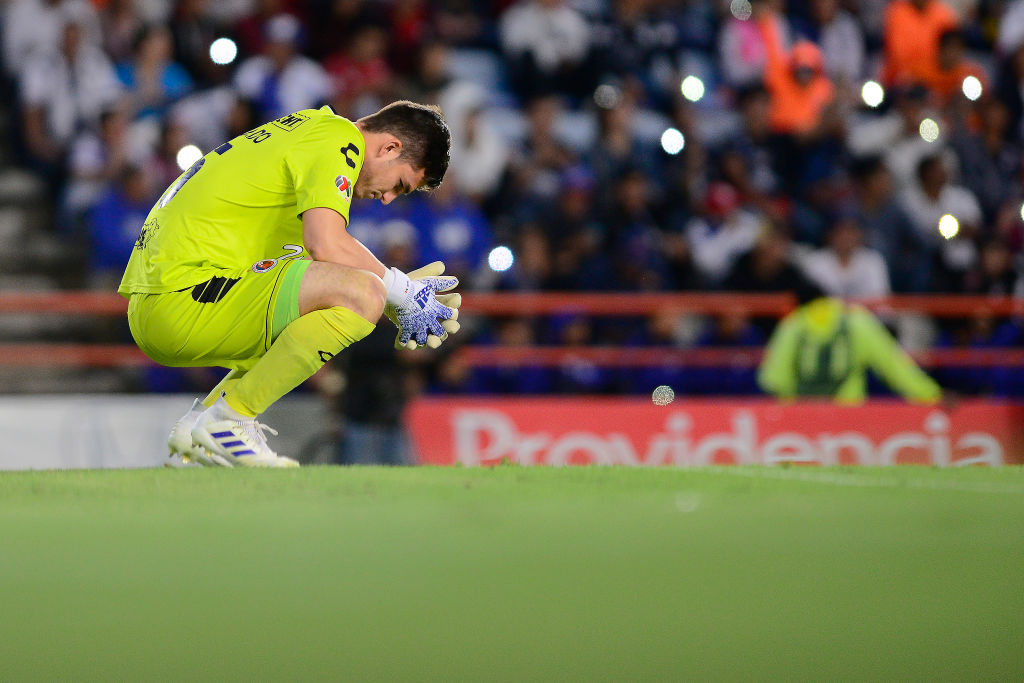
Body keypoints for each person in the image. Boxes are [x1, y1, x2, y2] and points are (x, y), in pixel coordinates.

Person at [118, 100, 460, 468]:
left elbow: (322, 258)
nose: (389, 198)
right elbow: (326, 244)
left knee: (332, 294)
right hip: (183, 296)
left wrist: (399, 290)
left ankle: (198, 429)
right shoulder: (340, 139)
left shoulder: (312, 131)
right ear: (389, 147)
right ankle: (231, 419)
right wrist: (398, 290)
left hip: (166, 299)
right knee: (364, 295)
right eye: (401, 185)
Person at [758, 287, 942, 403]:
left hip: (797, 424)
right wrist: (933, 395)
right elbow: (895, 368)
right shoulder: (858, 322)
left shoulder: (792, 325)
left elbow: (773, 380)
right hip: (848, 421)